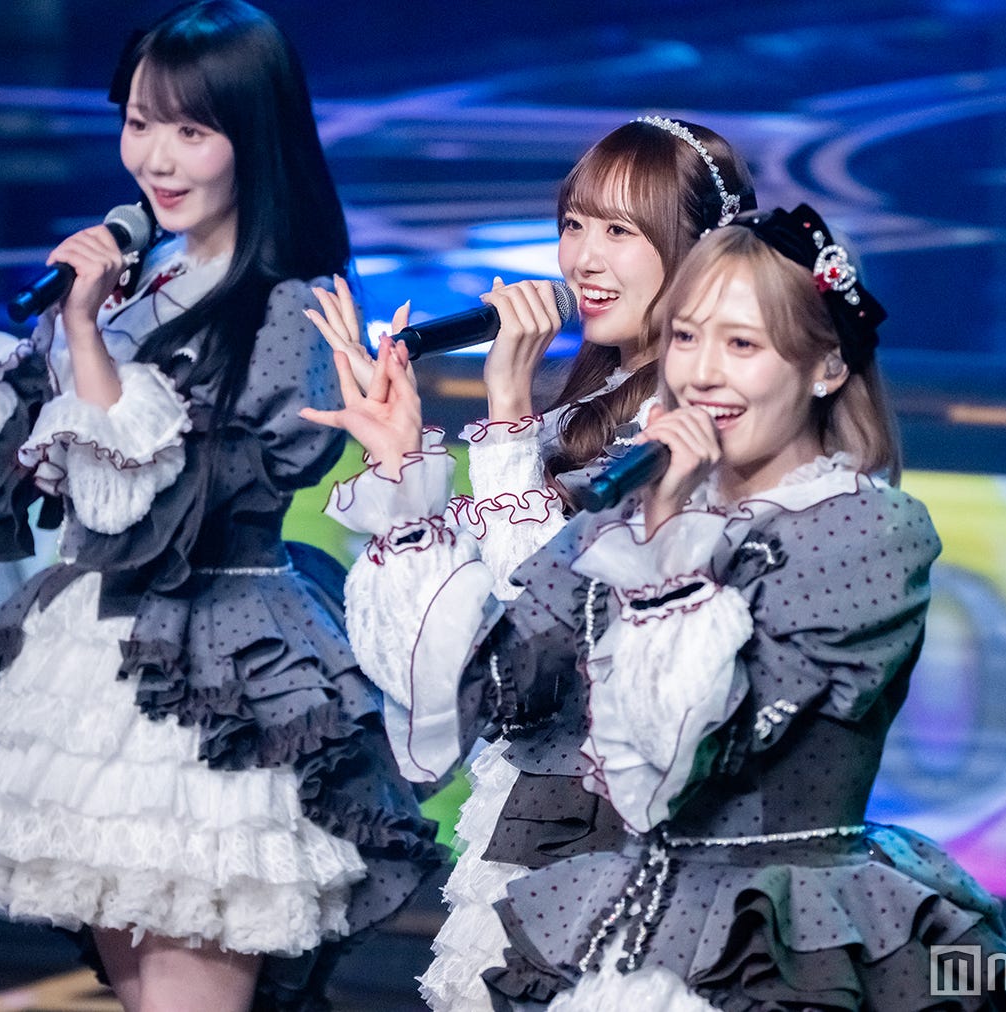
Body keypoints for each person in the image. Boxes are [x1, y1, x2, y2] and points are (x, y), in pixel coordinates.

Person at [0, 3, 437, 1009]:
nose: (155, 157)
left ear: (256, 135)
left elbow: (166, 503)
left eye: (191, 130)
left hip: (216, 672)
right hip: (98, 666)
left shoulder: (292, 300)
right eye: (140, 122)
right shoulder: (137, 277)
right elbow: (2, 467)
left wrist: (85, 332)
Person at [305, 203, 1006, 1009]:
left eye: (741, 344)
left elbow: (681, 758)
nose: (702, 372)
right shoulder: (633, 518)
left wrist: (666, 545)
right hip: (630, 926)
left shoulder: (865, 528)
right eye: (685, 337)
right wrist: (402, 476)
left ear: (825, 367)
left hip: (784, 939)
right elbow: (494, 687)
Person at [306, 115, 756, 1009]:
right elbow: (457, 654)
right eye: (574, 225)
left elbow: (559, 612)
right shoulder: (579, 414)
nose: (584, 258)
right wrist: (399, 459)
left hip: (638, 839)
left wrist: (507, 404)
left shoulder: (702, 426)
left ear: (703, 249)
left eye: (620, 230)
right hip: (534, 816)